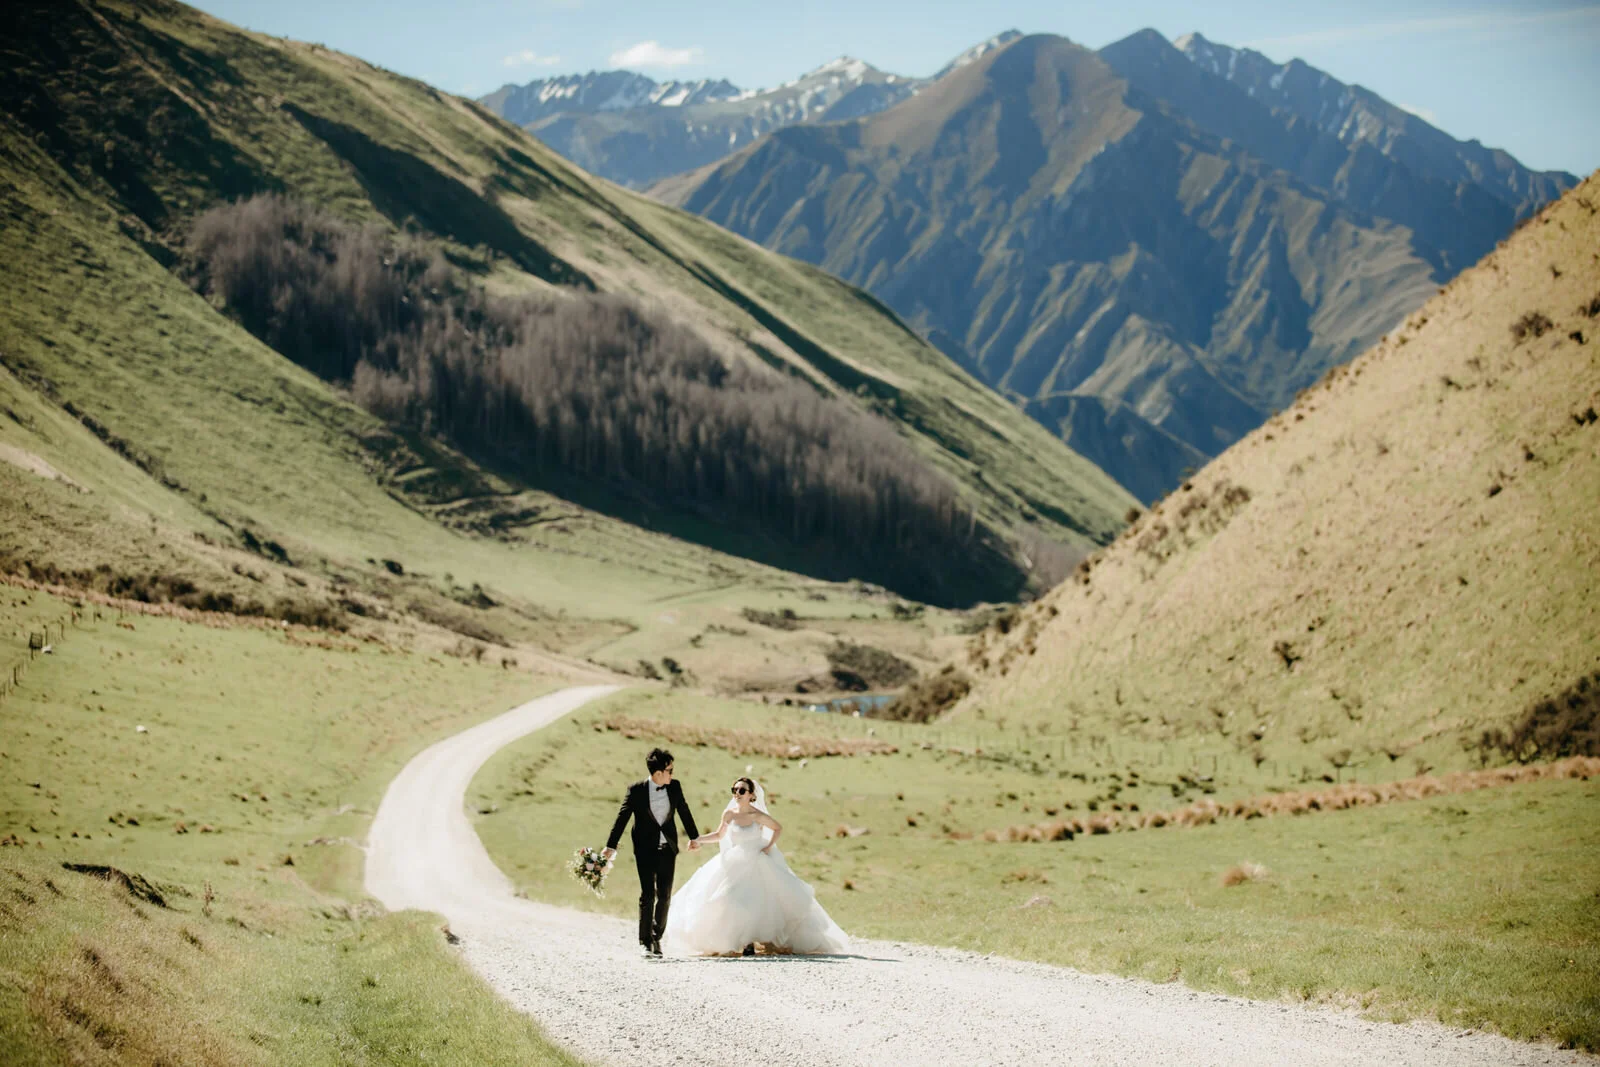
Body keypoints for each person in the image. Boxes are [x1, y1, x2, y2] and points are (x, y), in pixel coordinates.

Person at [662, 776, 848, 956]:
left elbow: (777, 828)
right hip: (734, 861)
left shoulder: (756, 815)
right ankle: (744, 941)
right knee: (730, 898)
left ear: (752, 795)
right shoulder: (729, 814)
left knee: (757, 900)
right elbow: (719, 835)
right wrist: (698, 840)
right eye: (734, 790)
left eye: (741, 790)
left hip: (757, 860)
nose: (737, 793)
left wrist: (768, 847)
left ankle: (754, 941)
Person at [603, 747, 700, 957]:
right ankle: (645, 942)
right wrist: (610, 846)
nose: (672, 774)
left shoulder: (674, 787)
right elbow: (622, 818)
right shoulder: (636, 790)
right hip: (645, 849)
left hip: (668, 848)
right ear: (658, 773)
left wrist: (694, 836)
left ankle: (656, 937)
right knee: (648, 894)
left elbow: (683, 809)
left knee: (664, 896)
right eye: (670, 770)